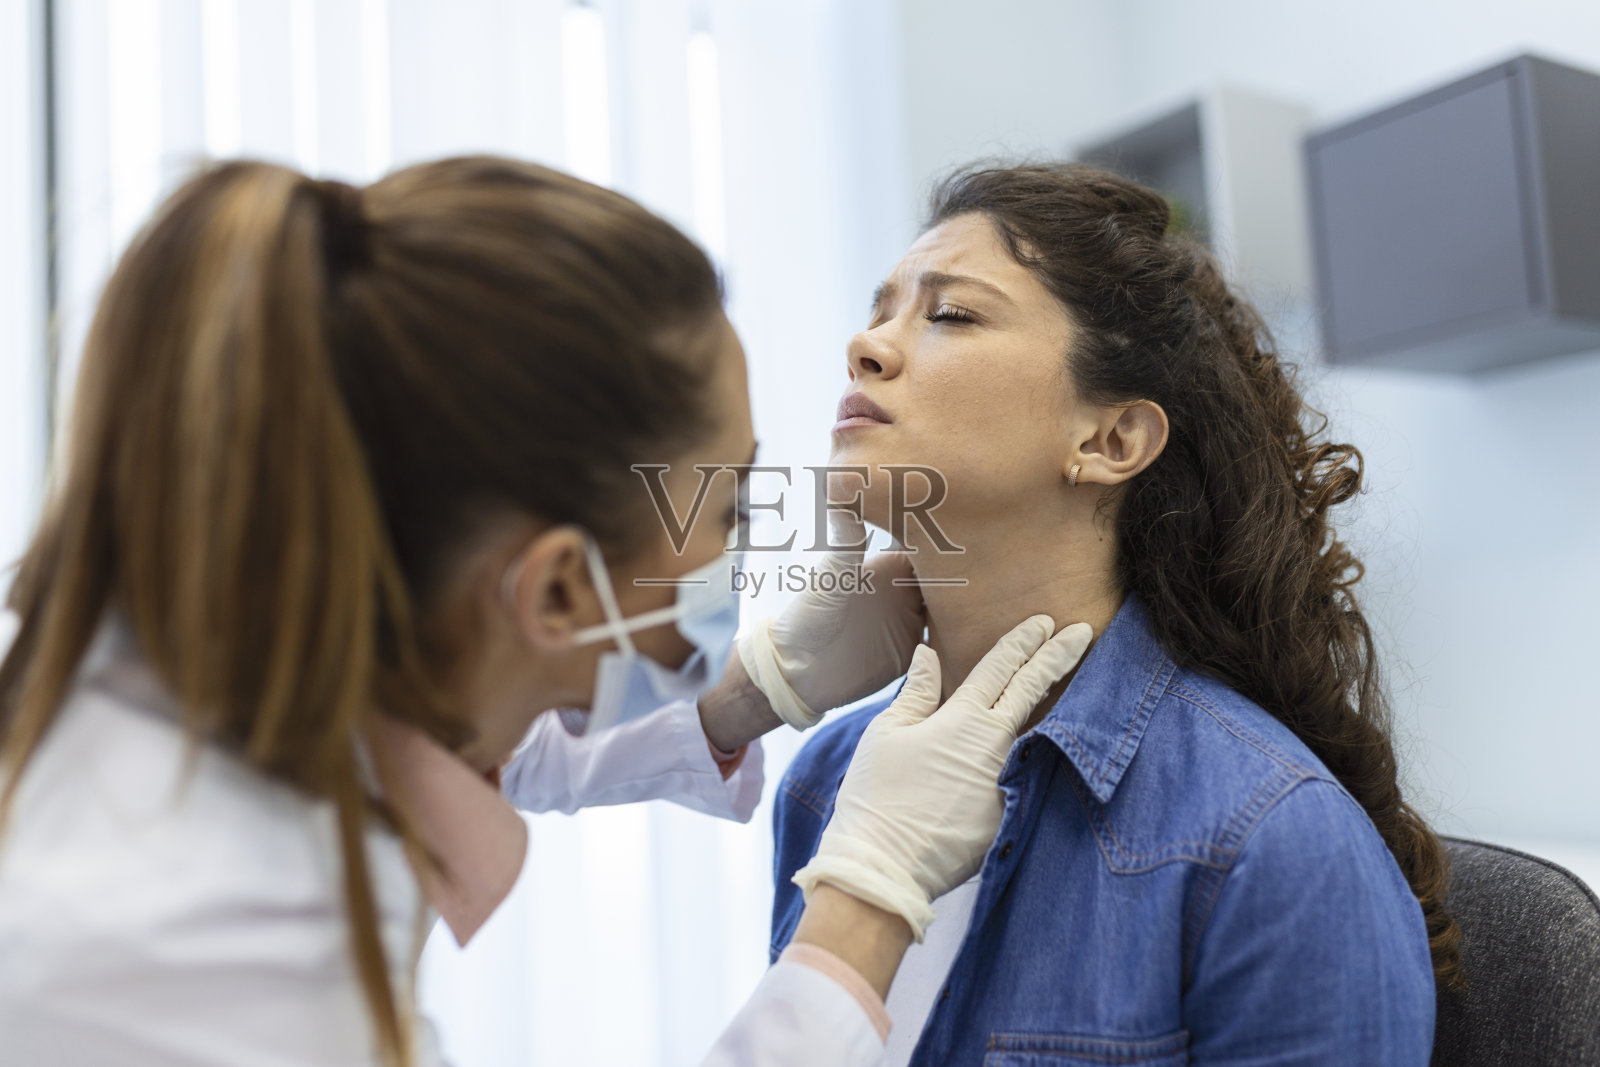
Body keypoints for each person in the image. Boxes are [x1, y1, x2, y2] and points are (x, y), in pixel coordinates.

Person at [0, 155, 1095, 1066]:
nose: (741, 543)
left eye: (954, 312)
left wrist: (747, 693)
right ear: (558, 590)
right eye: (722, 506)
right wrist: (865, 899)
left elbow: (458, 734)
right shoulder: (203, 948)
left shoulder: (231, 679)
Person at [768, 161, 1458, 1064]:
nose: (865, 346)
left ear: (1112, 438)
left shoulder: (1272, 841)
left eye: (952, 314)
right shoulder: (824, 783)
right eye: (879, 310)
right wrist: (755, 690)